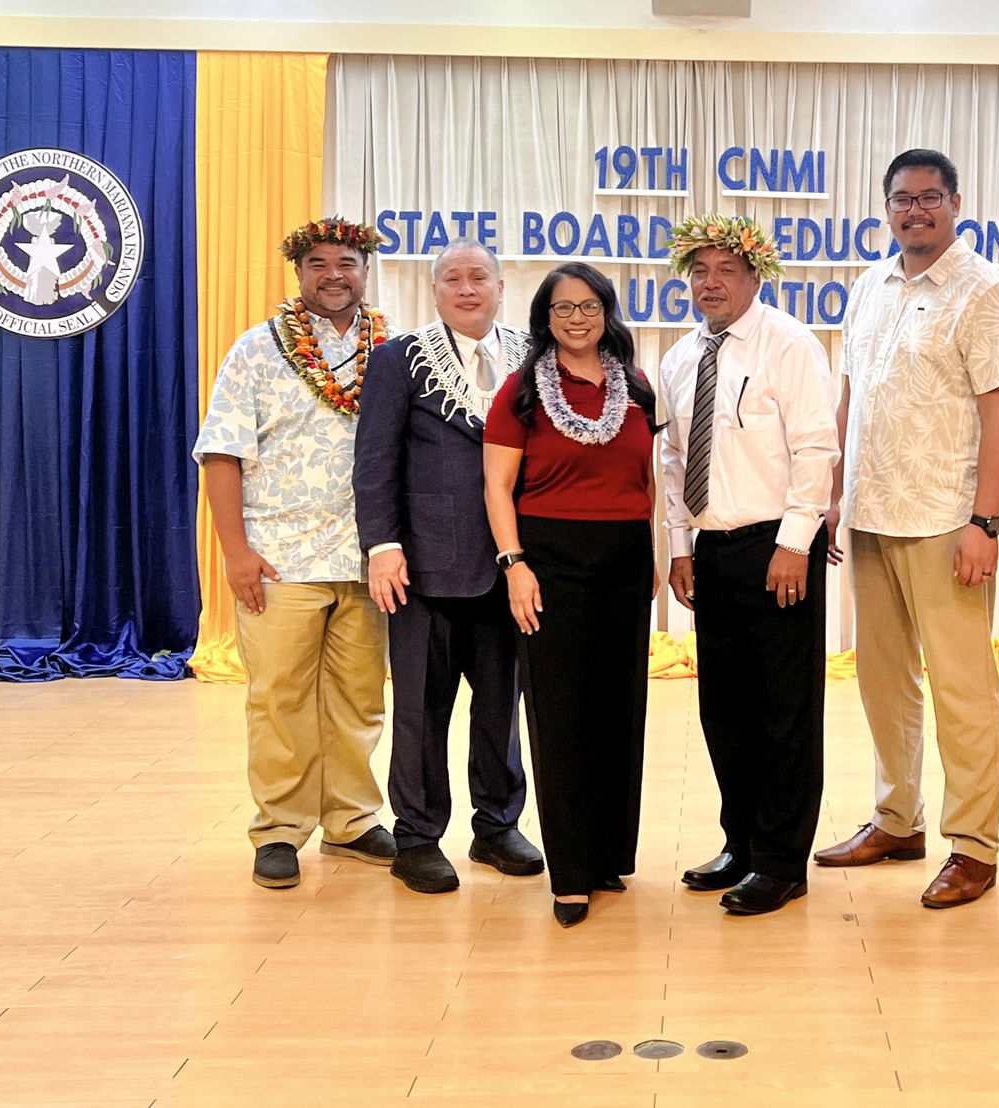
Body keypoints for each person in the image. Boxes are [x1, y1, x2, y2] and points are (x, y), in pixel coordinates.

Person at [815, 149, 999, 910]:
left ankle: (974, 846)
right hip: (871, 518)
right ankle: (897, 819)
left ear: (956, 202)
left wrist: (985, 520)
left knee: (964, 690)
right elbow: (852, 398)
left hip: (946, 521)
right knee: (882, 682)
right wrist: (835, 494)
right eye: (902, 200)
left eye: (930, 198)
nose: (915, 211)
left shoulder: (985, 290)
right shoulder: (869, 285)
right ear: (887, 207)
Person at [194, 217, 395, 889]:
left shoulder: (394, 351)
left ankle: (353, 819)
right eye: (318, 263)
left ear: (366, 270)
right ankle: (279, 827)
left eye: (347, 262)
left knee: (360, 698)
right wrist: (236, 552)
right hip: (278, 557)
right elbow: (221, 452)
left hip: (368, 560)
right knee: (278, 698)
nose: (333, 274)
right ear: (299, 273)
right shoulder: (257, 350)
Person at [659, 215, 838, 916]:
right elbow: (673, 461)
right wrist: (679, 545)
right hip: (712, 550)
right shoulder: (679, 359)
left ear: (755, 278)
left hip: (778, 549)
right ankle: (740, 842)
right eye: (699, 272)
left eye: (725, 271)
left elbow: (818, 448)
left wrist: (795, 543)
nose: (710, 284)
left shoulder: (788, 344)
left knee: (784, 711)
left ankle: (781, 861)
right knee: (723, 710)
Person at [354, 237, 544, 895]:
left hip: (507, 572)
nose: (467, 289)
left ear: (500, 287)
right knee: (420, 712)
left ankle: (497, 827)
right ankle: (417, 838)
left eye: (479, 278)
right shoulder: (397, 360)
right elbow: (375, 459)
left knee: (500, 709)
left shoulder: (531, 357)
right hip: (424, 569)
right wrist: (382, 545)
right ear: (435, 292)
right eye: (453, 279)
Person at [482, 262, 660, 928]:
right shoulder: (522, 390)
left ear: (608, 313)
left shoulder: (636, 387)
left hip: (623, 558)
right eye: (563, 309)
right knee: (560, 713)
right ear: (544, 319)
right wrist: (514, 565)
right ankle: (570, 873)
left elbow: (649, 483)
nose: (577, 319)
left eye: (589, 307)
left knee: (619, 709)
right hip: (549, 560)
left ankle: (607, 854)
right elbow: (497, 488)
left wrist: (653, 555)